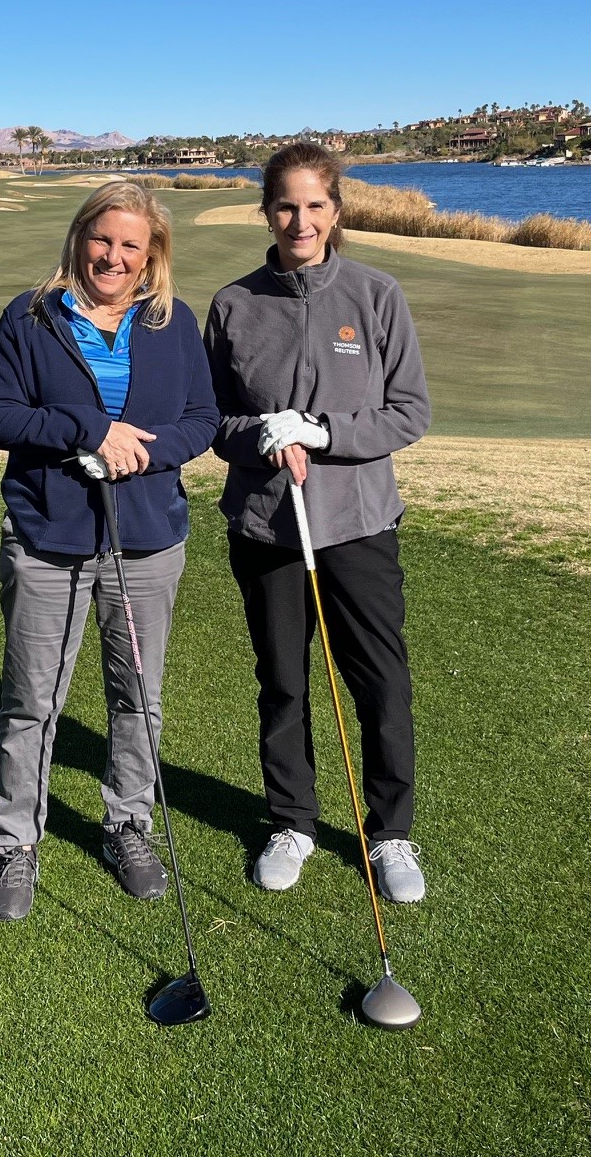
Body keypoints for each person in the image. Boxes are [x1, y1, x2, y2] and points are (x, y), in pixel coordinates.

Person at [0, 181, 219, 922]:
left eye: (130, 245)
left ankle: (127, 825)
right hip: (49, 534)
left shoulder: (173, 321)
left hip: (146, 538)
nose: (113, 257)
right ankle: (17, 844)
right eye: (102, 239)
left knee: (137, 695)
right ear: (80, 238)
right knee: (33, 701)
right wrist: (88, 431)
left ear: (152, 255)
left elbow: (202, 419)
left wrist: (142, 453)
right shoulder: (31, 316)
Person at [204, 143, 432, 903]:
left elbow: (409, 413)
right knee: (283, 681)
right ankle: (292, 821)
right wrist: (259, 435)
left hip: (359, 522)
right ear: (267, 211)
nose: (299, 221)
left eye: (314, 206)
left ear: (335, 211)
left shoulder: (376, 295)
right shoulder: (234, 304)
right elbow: (211, 420)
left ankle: (390, 832)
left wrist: (323, 432)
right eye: (285, 206)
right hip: (266, 526)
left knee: (381, 682)